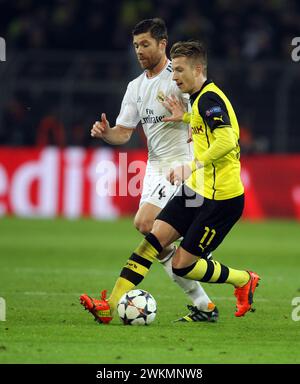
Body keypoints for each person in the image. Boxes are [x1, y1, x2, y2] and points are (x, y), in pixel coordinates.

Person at [80, 39, 261, 324]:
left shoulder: (211, 99)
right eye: (173, 70)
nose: (174, 77)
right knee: (152, 239)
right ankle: (109, 305)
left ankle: (242, 279)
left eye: (179, 71)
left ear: (198, 69)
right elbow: (204, 124)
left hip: (221, 200)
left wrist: (192, 164)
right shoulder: (200, 101)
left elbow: (227, 140)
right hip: (197, 189)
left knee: (182, 266)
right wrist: (186, 116)